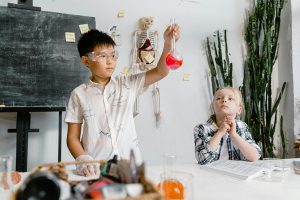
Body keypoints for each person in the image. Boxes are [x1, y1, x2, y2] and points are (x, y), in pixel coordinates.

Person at [65, 24, 181, 176]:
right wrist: (83, 159)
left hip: (130, 168)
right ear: (86, 61)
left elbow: (160, 72)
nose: (110, 61)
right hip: (97, 170)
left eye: (113, 55)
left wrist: (167, 43)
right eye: (102, 56)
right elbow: (72, 137)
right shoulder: (79, 94)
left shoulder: (127, 84)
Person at [193, 87, 261, 165]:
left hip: (236, 174)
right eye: (219, 98)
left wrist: (234, 135)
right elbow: (203, 159)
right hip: (211, 175)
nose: (224, 100)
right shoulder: (201, 128)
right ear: (213, 107)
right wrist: (219, 133)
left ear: (239, 110)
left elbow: (254, 157)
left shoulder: (242, 126)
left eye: (230, 99)